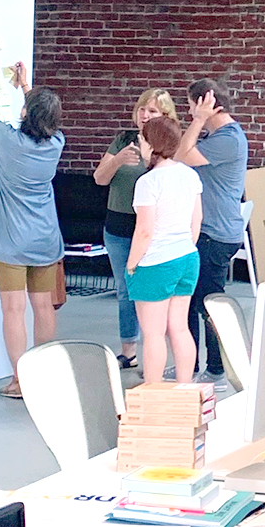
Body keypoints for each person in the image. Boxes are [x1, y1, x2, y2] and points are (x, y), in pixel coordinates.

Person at [0, 59, 65, 398]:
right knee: (43, 307)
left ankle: (20, 380)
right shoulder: (56, 145)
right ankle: (44, 374)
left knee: (13, 309)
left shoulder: (8, 143)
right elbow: (40, 116)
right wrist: (25, 85)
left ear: (26, 113)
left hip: (10, 241)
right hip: (45, 239)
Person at [92, 89, 177, 370]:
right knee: (125, 290)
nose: (144, 115)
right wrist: (117, 161)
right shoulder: (123, 140)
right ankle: (128, 350)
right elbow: (99, 179)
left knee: (152, 291)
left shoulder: (168, 147)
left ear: (164, 116)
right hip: (117, 227)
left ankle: (157, 353)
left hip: (151, 229)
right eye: (142, 109)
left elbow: (165, 186)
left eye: (152, 111)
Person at [175, 79, 248, 389]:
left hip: (215, 235)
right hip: (207, 232)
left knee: (206, 304)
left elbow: (181, 155)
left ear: (206, 103)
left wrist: (199, 119)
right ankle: (187, 366)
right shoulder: (218, 136)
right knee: (191, 302)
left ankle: (216, 370)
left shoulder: (228, 139)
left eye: (192, 105)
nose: (189, 112)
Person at [127, 117, 203, 384]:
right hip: (187, 257)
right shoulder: (190, 175)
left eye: (142, 139)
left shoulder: (148, 182)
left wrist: (132, 264)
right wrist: (185, 247)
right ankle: (185, 388)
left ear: (151, 144)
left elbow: (145, 230)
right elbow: (197, 220)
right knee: (180, 328)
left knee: (154, 333)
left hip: (156, 261)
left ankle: (153, 391)